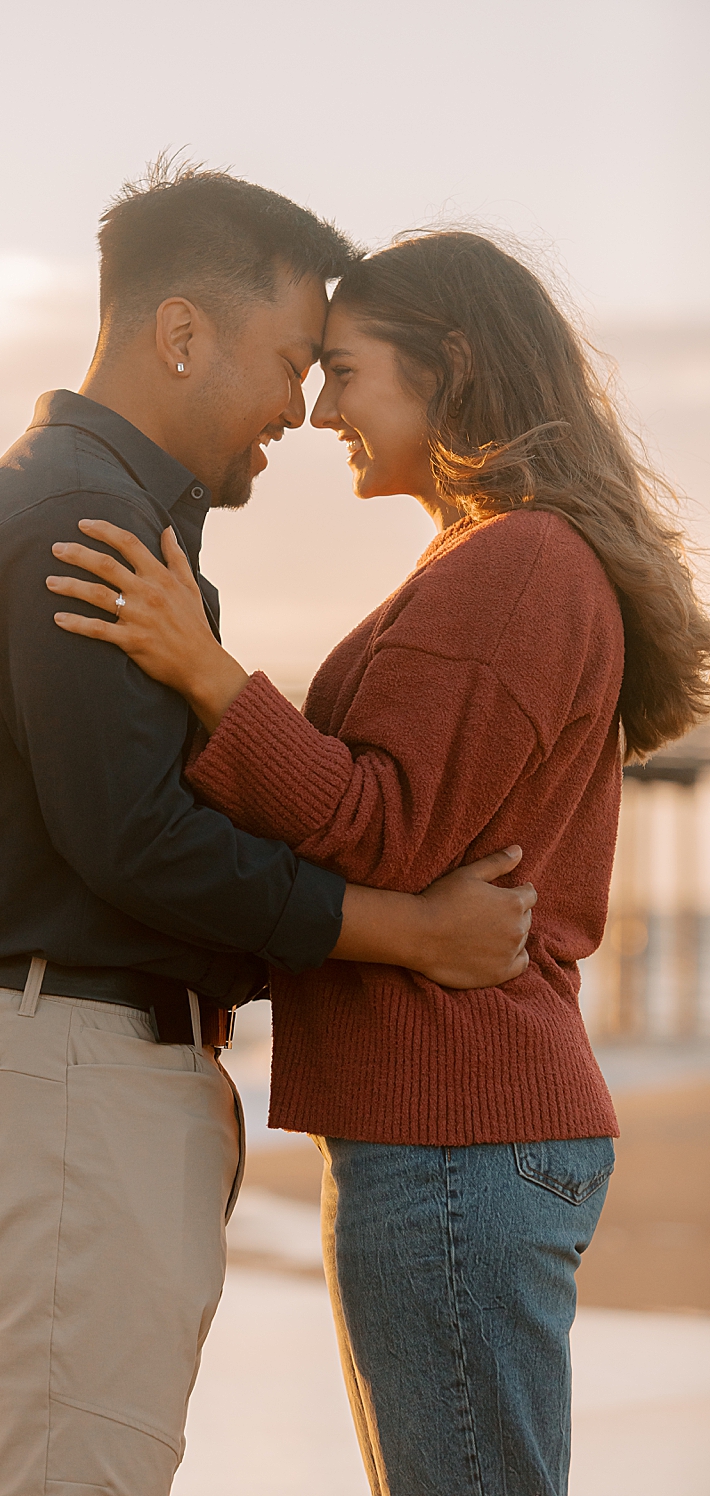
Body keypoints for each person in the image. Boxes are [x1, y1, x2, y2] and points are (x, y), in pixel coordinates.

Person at [0, 163, 541, 1496]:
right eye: (295, 358)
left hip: (97, 1071)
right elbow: (131, 837)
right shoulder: (79, 512)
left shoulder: (129, 521)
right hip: (73, 1070)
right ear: (182, 333)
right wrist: (403, 931)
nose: (305, 407)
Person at [49, 230, 710, 1496]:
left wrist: (203, 672)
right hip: (449, 1125)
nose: (317, 410)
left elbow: (385, 825)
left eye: (343, 371)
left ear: (446, 367)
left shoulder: (516, 561)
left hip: (455, 1131)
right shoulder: (497, 555)